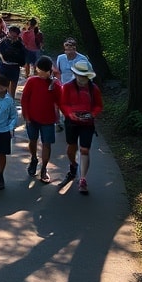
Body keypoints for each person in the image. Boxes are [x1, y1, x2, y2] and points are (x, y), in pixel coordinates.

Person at [60, 61, 104, 194]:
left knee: (84, 150)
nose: (82, 79)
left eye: (85, 76)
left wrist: (92, 114)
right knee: (71, 147)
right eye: (80, 75)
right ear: (75, 74)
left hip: (87, 123)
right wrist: (70, 114)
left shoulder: (93, 88)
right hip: (71, 122)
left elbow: (98, 105)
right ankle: (73, 164)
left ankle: (83, 179)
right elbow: (63, 103)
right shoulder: (67, 87)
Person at [19, 55, 62, 183]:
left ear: (49, 71)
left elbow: (60, 100)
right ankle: (33, 158)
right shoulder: (32, 81)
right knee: (32, 141)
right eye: (39, 71)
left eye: (43, 72)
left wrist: (55, 85)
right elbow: (25, 99)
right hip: (32, 118)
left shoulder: (55, 84)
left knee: (46, 144)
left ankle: (44, 169)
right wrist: (26, 116)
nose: (41, 74)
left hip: (48, 119)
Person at [0, 24, 27, 98]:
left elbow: (23, 57)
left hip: (15, 67)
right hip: (4, 66)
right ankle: (2, 102)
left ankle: (11, 102)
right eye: (11, 33)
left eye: (14, 34)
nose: (12, 35)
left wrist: (22, 63)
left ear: (17, 34)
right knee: (3, 87)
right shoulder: (3, 42)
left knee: (13, 88)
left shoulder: (20, 44)